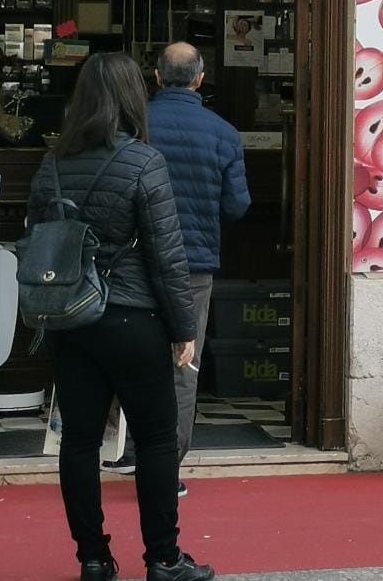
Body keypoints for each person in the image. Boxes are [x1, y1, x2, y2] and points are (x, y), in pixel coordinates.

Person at [27, 53, 214, 581]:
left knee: (80, 441)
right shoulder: (143, 162)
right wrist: (183, 328)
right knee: (156, 438)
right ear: (135, 95)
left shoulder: (53, 162)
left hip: (71, 316)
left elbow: (38, 236)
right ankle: (163, 559)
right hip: (133, 317)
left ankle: (92, 557)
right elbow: (166, 254)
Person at [103, 43, 249, 491]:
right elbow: (237, 205)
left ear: (158, 76)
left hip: (135, 261)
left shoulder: (132, 125)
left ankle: (129, 450)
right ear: (200, 79)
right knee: (184, 364)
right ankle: (167, 465)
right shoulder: (223, 133)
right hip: (193, 264)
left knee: (130, 356)